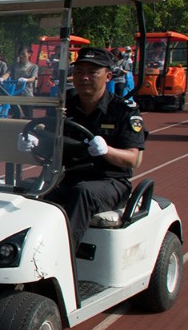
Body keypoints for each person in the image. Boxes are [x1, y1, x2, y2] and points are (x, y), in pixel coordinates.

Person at [20, 46, 146, 260]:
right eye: (78, 72)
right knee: (28, 189)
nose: (84, 78)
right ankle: (17, 252)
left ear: (108, 76)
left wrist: (107, 151)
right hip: (66, 175)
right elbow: (48, 149)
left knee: (82, 193)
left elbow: (134, 159)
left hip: (109, 181)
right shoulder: (63, 107)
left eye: (92, 72)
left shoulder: (123, 110)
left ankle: (58, 258)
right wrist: (31, 144)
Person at [12, 50, 39, 118]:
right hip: (15, 94)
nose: (21, 56)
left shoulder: (33, 66)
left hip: (27, 94)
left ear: (29, 54)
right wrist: (1, 79)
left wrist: (26, 80)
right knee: (16, 115)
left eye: (23, 54)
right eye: (20, 54)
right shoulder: (14, 66)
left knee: (28, 116)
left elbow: (33, 78)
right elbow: (7, 73)